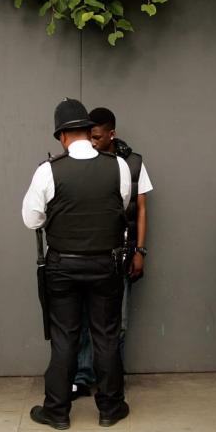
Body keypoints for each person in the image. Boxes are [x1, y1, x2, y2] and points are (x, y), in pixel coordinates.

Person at [21, 99, 132, 429]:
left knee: (65, 337)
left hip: (63, 266)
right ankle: (111, 408)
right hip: (106, 263)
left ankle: (57, 411)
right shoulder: (118, 166)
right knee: (106, 335)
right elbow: (121, 204)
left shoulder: (48, 170)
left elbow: (31, 220)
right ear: (87, 130)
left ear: (61, 137)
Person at [72, 107, 152, 399]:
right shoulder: (81, 162)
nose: (91, 142)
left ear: (111, 134)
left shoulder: (132, 163)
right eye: (88, 136)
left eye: (96, 137)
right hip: (89, 253)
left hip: (121, 255)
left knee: (118, 322)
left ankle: (112, 378)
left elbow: (141, 209)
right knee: (82, 318)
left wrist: (140, 251)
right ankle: (82, 376)